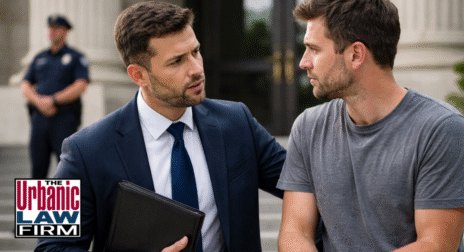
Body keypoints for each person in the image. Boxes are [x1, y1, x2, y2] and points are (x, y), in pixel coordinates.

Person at [34, 2, 286, 252]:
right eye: (177, 61)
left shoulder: (237, 120)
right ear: (138, 75)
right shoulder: (80, 148)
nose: (197, 69)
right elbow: (47, 247)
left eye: (195, 52)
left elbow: (306, 184)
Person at [276, 0, 464, 251]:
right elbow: (295, 232)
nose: (303, 62)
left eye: (314, 49)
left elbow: (435, 245)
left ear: (356, 55)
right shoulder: (308, 127)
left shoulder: (441, 129)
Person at [21, 14, 89, 179]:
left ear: (66, 32)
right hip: (39, 119)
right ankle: (37, 206)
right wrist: (39, 102)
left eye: (57, 28)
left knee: (66, 169)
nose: (52, 32)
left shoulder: (75, 57)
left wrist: (53, 100)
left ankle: (63, 206)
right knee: (37, 169)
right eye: (50, 28)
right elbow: (25, 84)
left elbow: (81, 84)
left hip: (64, 118)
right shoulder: (39, 57)